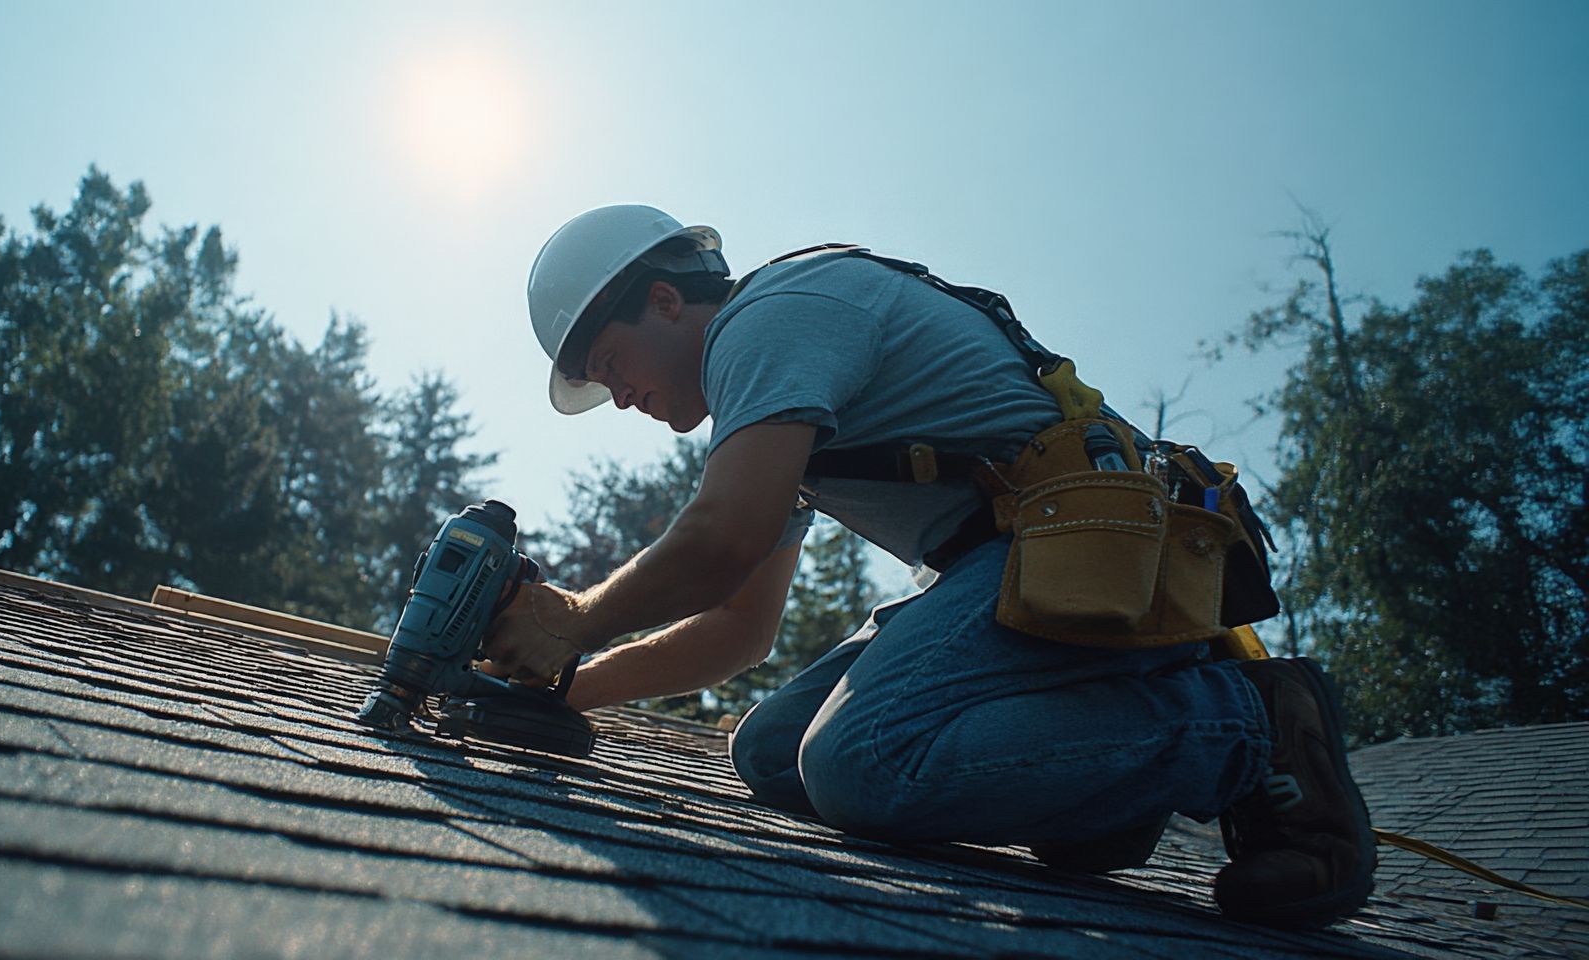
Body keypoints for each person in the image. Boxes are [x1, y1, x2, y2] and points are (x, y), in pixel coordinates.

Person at [482, 204, 1377, 929]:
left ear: (668, 301)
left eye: (612, 365)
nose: (622, 397)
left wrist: (571, 619)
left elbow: (722, 540)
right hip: (1015, 569)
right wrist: (563, 691)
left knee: (860, 763)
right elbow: (735, 632)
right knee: (770, 752)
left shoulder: (772, 322)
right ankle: (1105, 793)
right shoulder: (770, 402)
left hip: (1101, 558)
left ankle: (1246, 728)